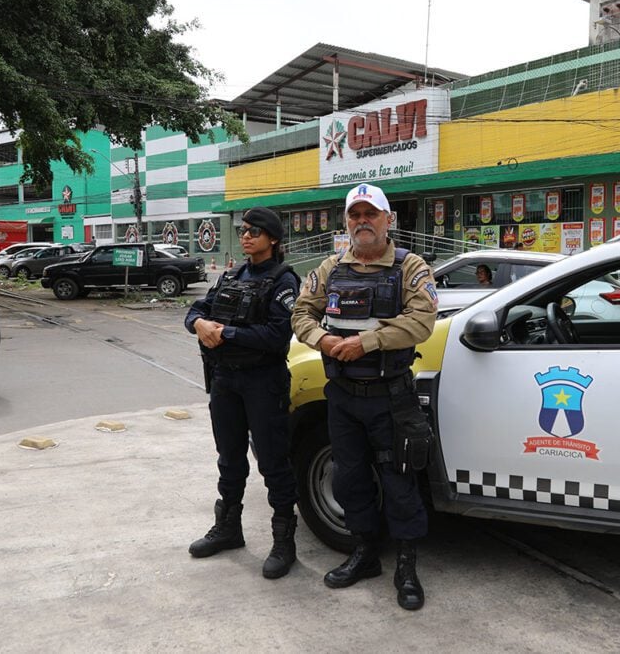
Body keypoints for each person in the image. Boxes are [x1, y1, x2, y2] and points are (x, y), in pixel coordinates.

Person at [291, 183, 438, 611]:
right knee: (351, 477)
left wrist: (366, 343)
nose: (362, 222)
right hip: (342, 395)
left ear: (388, 220)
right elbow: (302, 311)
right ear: (346, 223)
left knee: (399, 479)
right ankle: (364, 554)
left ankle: (407, 566)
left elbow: (422, 321)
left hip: (390, 395)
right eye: (354, 215)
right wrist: (322, 339)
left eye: (370, 214)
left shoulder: (411, 268)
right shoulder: (330, 268)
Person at [184, 207, 301, 579]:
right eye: (244, 230)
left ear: (274, 239)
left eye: (255, 231)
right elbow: (195, 311)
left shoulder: (284, 281)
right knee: (229, 457)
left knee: (272, 462)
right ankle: (229, 528)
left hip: (263, 382)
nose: (246, 235)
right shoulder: (232, 274)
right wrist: (200, 323)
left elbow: (277, 335)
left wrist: (226, 334)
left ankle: (284, 542)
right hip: (226, 380)